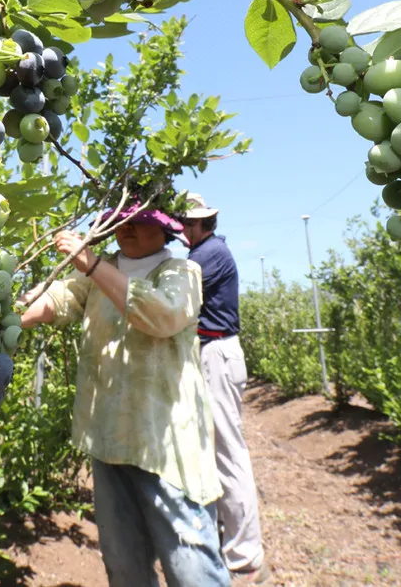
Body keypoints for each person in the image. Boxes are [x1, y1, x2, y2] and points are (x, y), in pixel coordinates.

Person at [19, 204, 231, 587]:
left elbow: (163, 315)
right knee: (125, 567)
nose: (128, 229)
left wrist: (93, 265)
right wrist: (10, 313)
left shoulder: (182, 272)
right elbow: (59, 299)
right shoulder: (96, 276)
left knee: (192, 570)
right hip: (109, 440)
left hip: (167, 447)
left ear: (165, 231)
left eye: (141, 222)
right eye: (122, 221)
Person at [182, 194, 269, 586]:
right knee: (213, 451)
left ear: (200, 224)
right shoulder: (208, 251)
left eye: (185, 223)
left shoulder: (210, 253)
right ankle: (227, 541)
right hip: (210, 353)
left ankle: (245, 554)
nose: (181, 229)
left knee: (227, 454)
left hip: (216, 353)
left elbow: (177, 286)